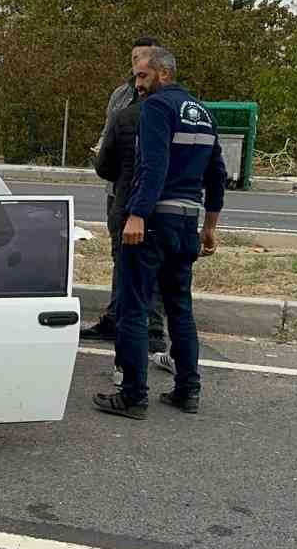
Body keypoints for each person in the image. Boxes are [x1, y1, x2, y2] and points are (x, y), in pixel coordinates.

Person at [95, 46, 227, 420]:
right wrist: (210, 226)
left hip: (153, 221)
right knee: (180, 309)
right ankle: (188, 390)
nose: (137, 84)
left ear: (163, 75)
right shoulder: (202, 113)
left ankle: (133, 395)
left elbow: (152, 166)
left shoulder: (156, 109)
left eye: (142, 76)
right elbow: (217, 174)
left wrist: (136, 215)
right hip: (187, 222)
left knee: (134, 307)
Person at [83, 37, 167, 358]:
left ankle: (154, 329)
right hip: (116, 190)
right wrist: (101, 151)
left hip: (148, 195)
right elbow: (109, 135)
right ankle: (114, 318)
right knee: (119, 256)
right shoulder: (120, 95)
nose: (138, 64)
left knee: (152, 262)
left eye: (144, 58)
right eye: (134, 57)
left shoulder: (165, 100)